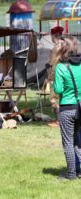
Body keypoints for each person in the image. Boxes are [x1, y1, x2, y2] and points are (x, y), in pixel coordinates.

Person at [53, 37, 81, 180]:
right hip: (80, 107)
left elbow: (58, 89)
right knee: (77, 141)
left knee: (68, 142)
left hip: (67, 108)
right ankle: (79, 170)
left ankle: (70, 174)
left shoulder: (61, 67)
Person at [46, 26, 64, 127]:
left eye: (52, 36)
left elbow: (53, 63)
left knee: (54, 98)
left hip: (56, 74)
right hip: (65, 73)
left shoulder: (57, 47)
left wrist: (49, 77)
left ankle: (59, 121)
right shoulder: (66, 45)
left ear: (54, 35)